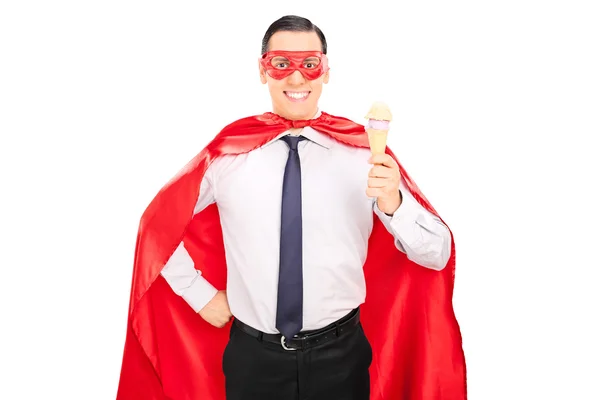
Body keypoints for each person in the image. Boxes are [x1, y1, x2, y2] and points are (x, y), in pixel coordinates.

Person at [117, 15, 466, 400]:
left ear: (326, 71)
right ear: (263, 70)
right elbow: (156, 226)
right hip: (253, 359)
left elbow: (437, 254)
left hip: (341, 355)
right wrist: (199, 295)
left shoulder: (363, 153)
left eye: (309, 64)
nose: (297, 79)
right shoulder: (228, 154)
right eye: (282, 64)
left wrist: (394, 204)